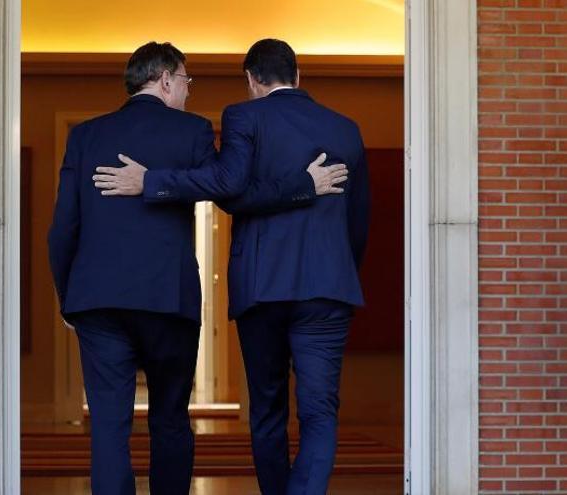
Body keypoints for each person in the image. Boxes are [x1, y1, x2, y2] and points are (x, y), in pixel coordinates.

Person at [47, 41, 347, 495]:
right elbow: (226, 184)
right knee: (170, 421)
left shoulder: (85, 135)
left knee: (109, 428)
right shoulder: (191, 131)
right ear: (166, 79)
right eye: (186, 80)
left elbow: (62, 227)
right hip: (169, 301)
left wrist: (68, 297)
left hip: (98, 301)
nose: (188, 90)